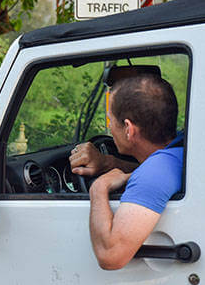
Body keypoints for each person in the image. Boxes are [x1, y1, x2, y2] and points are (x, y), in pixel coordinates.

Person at [69, 74, 182, 270]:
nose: (110, 128)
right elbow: (151, 173)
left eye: (110, 120)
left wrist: (98, 188)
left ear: (128, 129)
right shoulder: (177, 153)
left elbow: (111, 256)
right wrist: (109, 163)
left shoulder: (154, 173)